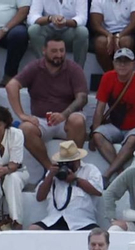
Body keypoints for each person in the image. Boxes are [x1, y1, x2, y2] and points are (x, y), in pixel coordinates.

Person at [7, 37, 89, 172]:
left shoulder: (74, 69)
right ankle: (50, 168)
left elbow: (82, 98)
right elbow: (11, 86)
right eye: (54, 51)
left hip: (66, 119)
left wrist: (64, 114)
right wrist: (22, 115)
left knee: (77, 120)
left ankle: (73, 165)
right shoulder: (35, 67)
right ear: (44, 50)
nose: (59, 55)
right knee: (25, 128)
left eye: (62, 51)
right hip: (42, 120)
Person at [90, 48, 135, 178]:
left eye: (126, 62)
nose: (122, 65)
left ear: (133, 64)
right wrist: (94, 133)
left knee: (133, 139)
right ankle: (120, 172)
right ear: (113, 64)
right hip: (115, 125)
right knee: (98, 135)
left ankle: (108, 174)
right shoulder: (107, 77)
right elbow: (100, 108)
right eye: (119, 61)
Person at [31, 140, 103, 232]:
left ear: (77, 160)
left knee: (96, 234)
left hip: (83, 222)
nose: (66, 165)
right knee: (33, 229)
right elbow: (40, 197)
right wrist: (50, 176)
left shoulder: (89, 169)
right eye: (63, 162)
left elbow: (97, 191)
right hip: (54, 220)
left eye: (69, 162)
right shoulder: (54, 173)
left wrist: (76, 180)